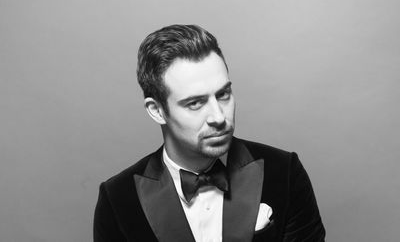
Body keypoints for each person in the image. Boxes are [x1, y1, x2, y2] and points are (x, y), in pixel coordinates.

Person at [93, 24, 325, 242]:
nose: (218, 117)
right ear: (157, 111)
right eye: (195, 103)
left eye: (223, 94)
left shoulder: (284, 172)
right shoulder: (118, 198)